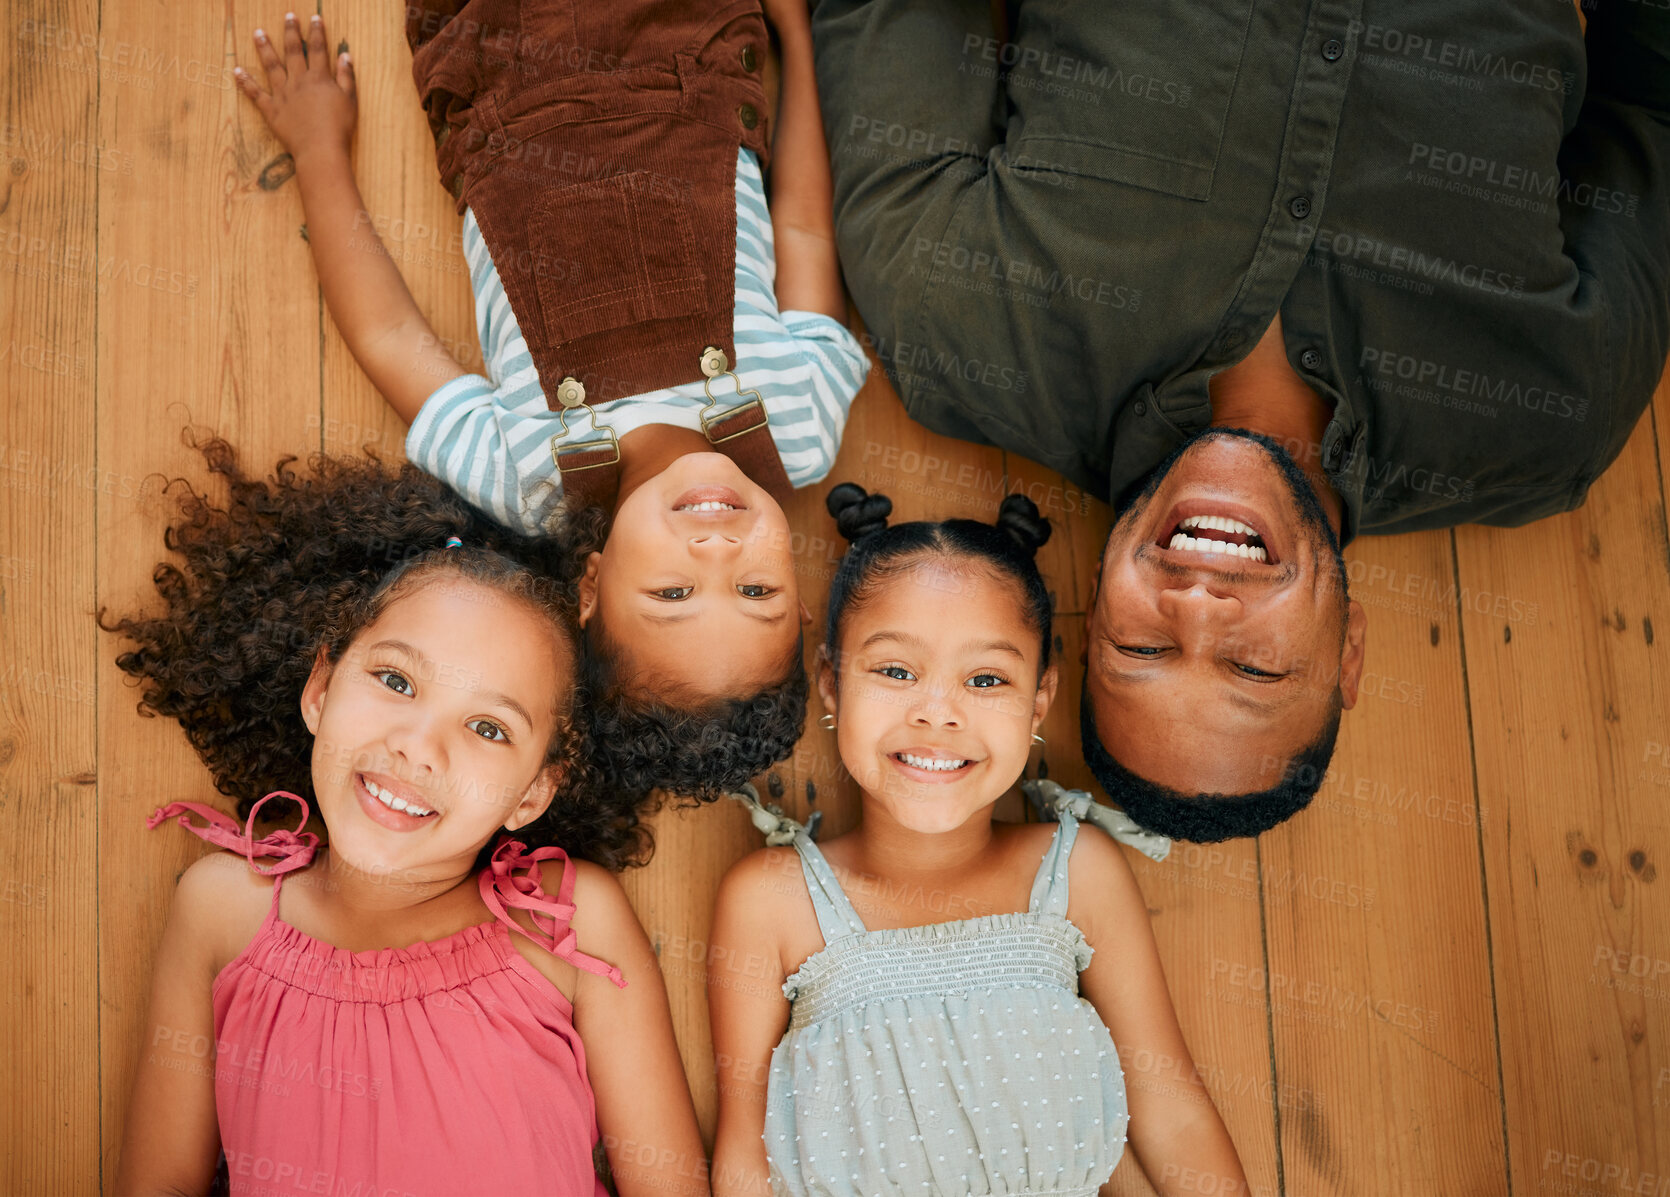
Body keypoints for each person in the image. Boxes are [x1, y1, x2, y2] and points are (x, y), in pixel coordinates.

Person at [808, 0, 1670, 838]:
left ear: (1091, 611)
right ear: (1350, 655)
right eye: (1252, 664)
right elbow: (1652, 103)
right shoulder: (1551, 418)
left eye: (1143, 648)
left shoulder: (954, 326)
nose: (1198, 604)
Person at [233, 4, 870, 800]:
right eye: (757, 591)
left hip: (495, 52)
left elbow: (390, 336)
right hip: (692, 39)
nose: (717, 552)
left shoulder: (527, 483)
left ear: (591, 586)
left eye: (672, 594)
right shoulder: (801, 429)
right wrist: (799, 41)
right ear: (806, 603)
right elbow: (805, 229)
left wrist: (318, 148)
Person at [106, 441, 703, 1197]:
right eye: (395, 679)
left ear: (531, 795)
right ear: (320, 687)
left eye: (488, 728)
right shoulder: (223, 908)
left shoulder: (569, 920)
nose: (417, 747)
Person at [706, 484, 1246, 1196]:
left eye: (985, 678)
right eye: (896, 671)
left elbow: (1171, 1113)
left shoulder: (1075, 874)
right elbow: (746, 1157)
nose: (938, 714)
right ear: (831, 684)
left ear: (1039, 700)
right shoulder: (773, 901)